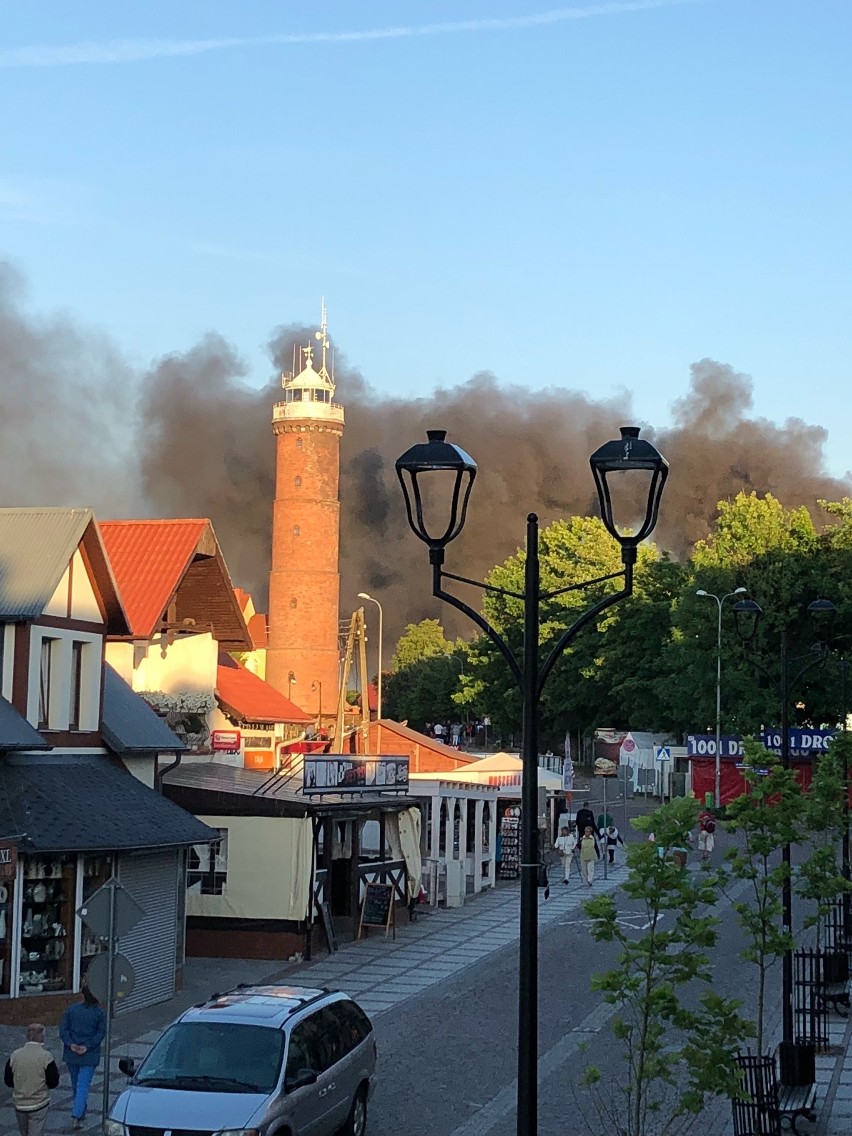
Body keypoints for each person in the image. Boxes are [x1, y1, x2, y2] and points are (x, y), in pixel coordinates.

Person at [60, 987, 106, 1129]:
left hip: (71, 1053)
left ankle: (80, 1110)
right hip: (89, 1055)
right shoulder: (99, 1013)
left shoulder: (72, 1010)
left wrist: (71, 1044)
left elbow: (63, 1030)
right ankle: (77, 1114)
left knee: (76, 1084)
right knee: (83, 1085)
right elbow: (100, 1033)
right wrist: (87, 1046)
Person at [4, 1022, 60, 1135]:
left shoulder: (14, 1055)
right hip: (39, 1102)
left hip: (20, 1103)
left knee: (23, 1132)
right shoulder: (46, 1056)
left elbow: (8, 1080)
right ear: (42, 1036)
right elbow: (53, 1082)